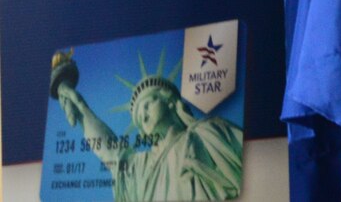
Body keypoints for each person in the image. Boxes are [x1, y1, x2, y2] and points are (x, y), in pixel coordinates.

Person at [51, 49, 245, 200]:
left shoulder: (209, 133)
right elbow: (110, 151)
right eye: (138, 117)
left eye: (147, 104)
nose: (142, 116)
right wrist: (80, 105)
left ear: (169, 101)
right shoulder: (142, 167)